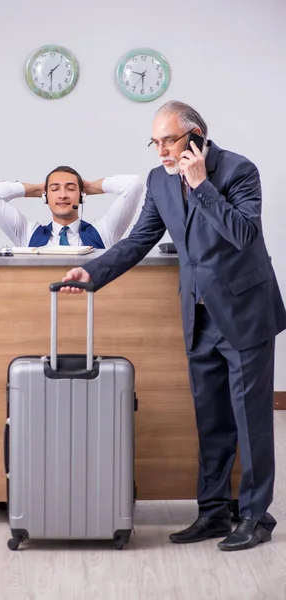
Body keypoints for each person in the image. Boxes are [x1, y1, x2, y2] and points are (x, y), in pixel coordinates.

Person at [60, 101, 286, 551]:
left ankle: (257, 517)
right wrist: (94, 274)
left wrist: (201, 186)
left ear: (196, 135)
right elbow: (141, 238)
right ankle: (215, 512)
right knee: (211, 420)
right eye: (155, 142)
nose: (161, 151)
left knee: (251, 421)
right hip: (198, 316)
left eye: (169, 140)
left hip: (244, 314)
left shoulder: (240, 171)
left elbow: (243, 233)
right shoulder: (160, 181)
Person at [0, 166, 143, 248]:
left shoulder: (104, 232)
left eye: (71, 189)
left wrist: (89, 187)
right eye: (55, 189)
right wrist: (38, 189)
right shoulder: (27, 234)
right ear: (46, 196)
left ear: (81, 195)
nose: (63, 194)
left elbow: (133, 184)